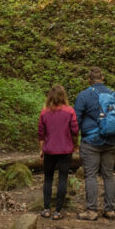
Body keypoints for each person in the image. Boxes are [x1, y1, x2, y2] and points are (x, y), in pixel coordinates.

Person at [74, 66, 115, 220]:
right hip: (110, 141)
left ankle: (92, 211)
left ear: (89, 80)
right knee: (108, 175)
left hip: (90, 141)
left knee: (91, 175)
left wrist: (76, 139)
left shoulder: (83, 96)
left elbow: (76, 121)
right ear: (103, 79)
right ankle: (109, 210)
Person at [37, 84, 78, 219]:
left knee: (48, 179)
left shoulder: (44, 112)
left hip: (49, 150)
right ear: (63, 96)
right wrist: (75, 143)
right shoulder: (70, 111)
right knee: (63, 178)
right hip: (65, 150)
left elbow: (41, 133)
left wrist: (41, 149)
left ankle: (47, 208)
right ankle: (58, 211)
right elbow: (75, 130)